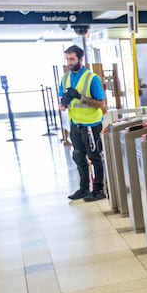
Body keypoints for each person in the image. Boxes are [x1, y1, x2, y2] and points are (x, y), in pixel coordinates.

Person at [58, 45, 107, 202]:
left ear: (80, 59)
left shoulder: (92, 79)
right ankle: (84, 188)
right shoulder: (65, 78)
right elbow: (62, 102)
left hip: (91, 124)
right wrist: (63, 104)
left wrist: (80, 97)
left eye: (72, 59)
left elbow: (101, 104)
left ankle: (98, 189)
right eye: (67, 59)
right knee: (78, 156)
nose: (69, 62)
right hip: (75, 124)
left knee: (94, 156)